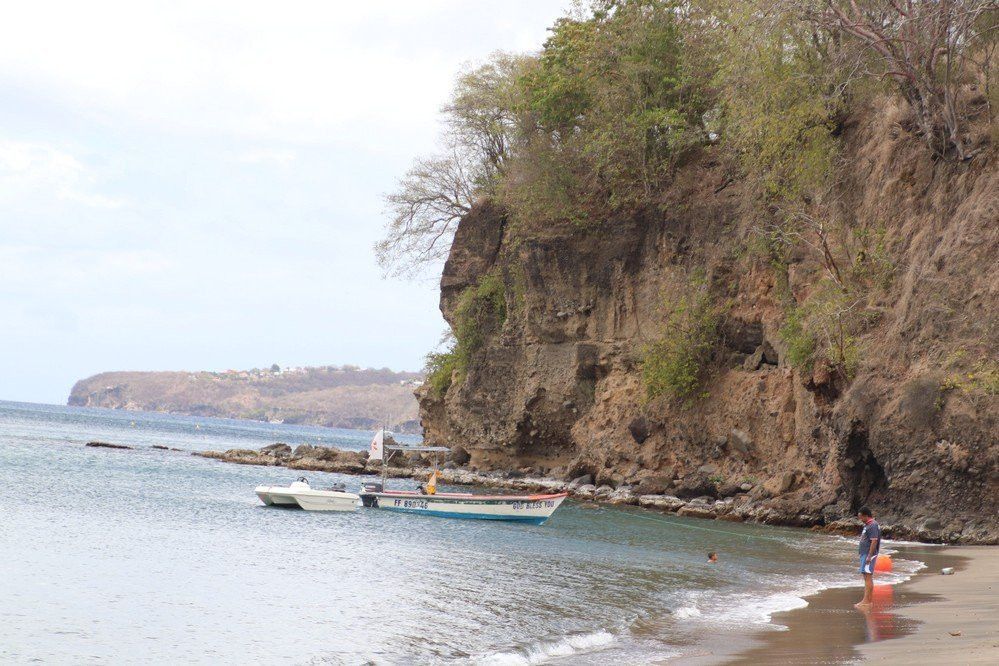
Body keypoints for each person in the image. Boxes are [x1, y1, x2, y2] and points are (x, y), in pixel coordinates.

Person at [854, 506, 881, 608]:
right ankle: (866, 600)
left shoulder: (873, 525)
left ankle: (867, 601)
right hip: (864, 553)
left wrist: (869, 556)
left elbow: (874, 541)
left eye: (861, 517)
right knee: (866, 576)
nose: (860, 519)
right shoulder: (868, 525)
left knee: (867, 576)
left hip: (868, 554)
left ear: (866, 515)